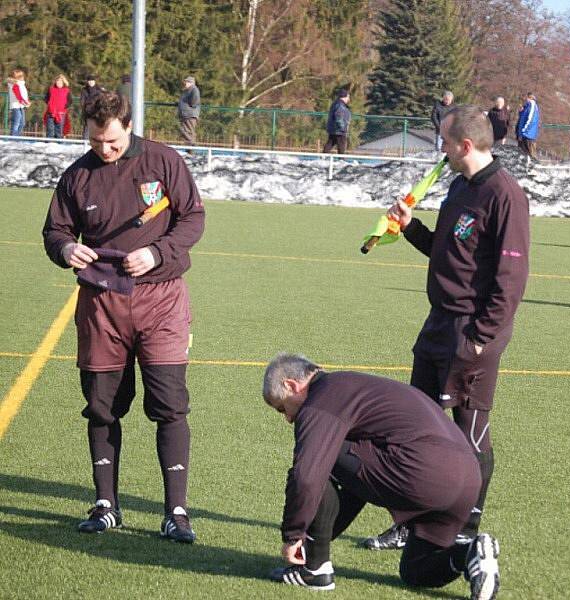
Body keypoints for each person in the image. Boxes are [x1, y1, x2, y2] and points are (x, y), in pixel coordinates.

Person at [362, 105, 530, 551]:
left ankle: (465, 529)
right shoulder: (460, 186)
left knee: (469, 433)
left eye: (445, 141)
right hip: (438, 323)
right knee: (417, 425)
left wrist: (481, 335)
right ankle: (410, 522)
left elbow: (510, 279)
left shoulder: (504, 194)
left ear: (466, 145)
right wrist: (410, 227)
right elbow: (446, 249)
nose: (441, 149)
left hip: (473, 331)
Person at [42, 91, 205, 542]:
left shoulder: (164, 161)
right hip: (101, 306)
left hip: (162, 300)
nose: (105, 150)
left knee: (170, 406)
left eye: (112, 141)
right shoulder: (77, 176)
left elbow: (192, 218)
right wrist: (66, 248)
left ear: (128, 126)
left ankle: (176, 512)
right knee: (102, 408)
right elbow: (54, 230)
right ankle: (106, 505)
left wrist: (157, 253)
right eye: (96, 142)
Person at [262, 354, 501, 600]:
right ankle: (470, 553)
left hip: (424, 472)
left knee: (317, 458)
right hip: (468, 479)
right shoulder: (352, 386)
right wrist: (315, 540)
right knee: (417, 571)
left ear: (292, 385)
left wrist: (293, 535)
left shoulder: (321, 399)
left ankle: (316, 571)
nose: (287, 418)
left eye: (282, 407)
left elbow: (307, 477)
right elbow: (358, 482)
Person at [322, 89, 351, 154]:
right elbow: (338, 116)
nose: (349, 99)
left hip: (334, 129)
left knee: (330, 143)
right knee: (341, 146)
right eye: (348, 97)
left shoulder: (337, 104)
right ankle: (341, 161)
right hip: (339, 130)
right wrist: (343, 128)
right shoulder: (340, 105)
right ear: (344, 97)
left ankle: (322, 158)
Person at [44, 74, 72, 139]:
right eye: (57, 81)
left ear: (63, 82)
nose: (59, 83)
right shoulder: (51, 89)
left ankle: (58, 144)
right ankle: (48, 144)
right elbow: (46, 98)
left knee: (59, 130)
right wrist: (50, 104)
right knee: (50, 129)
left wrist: (65, 106)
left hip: (61, 113)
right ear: (55, 82)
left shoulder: (66, 90)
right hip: (51, 112)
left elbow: (70, 100)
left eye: (60, 82)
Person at [515, 92, 540, 160]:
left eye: (525, 97)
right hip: (523, 135)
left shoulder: (532, 105)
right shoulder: (527, 106)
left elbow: (530, 120)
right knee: (522, 156)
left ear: (529, 97)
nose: (523, 99)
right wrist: (521, 112)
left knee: (530, 155)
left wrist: (523, 132)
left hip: (528, 135)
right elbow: (523, 119)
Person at [7, 69, 31, 136]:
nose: (22, 77)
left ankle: (17, 135)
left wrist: (27, 101)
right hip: (16, 105)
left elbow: (24, 95)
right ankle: (13, 136)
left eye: (22, 75)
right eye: (19, 76)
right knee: (16, 122)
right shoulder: (14, 84)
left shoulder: (22, 84)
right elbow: (18, 95)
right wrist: (24, 102)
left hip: (21, 106)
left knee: (22, 123)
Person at [178, 76, 201, 146]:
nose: (185, 83)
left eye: (187, 82)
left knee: (188, 131)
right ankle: (190, 148)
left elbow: (195, 101)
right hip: (186, 114)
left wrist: (188, 106)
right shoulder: (187, 90)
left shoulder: (194, 89)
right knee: (186, 131)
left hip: (190, 114)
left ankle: (192, 146)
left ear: (191, 83)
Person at [79, 75, 104, 139]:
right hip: (87, 110)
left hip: (96, 111)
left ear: (94, 81)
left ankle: (96, 139)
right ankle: (85, 140)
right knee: (87, 126)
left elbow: (101, 100)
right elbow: (82, 101)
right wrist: (84, 106)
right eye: (89, 81)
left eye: (92, 80)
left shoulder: (99, 90)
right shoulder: (84, 90)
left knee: (96, 126)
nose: (90, 82)